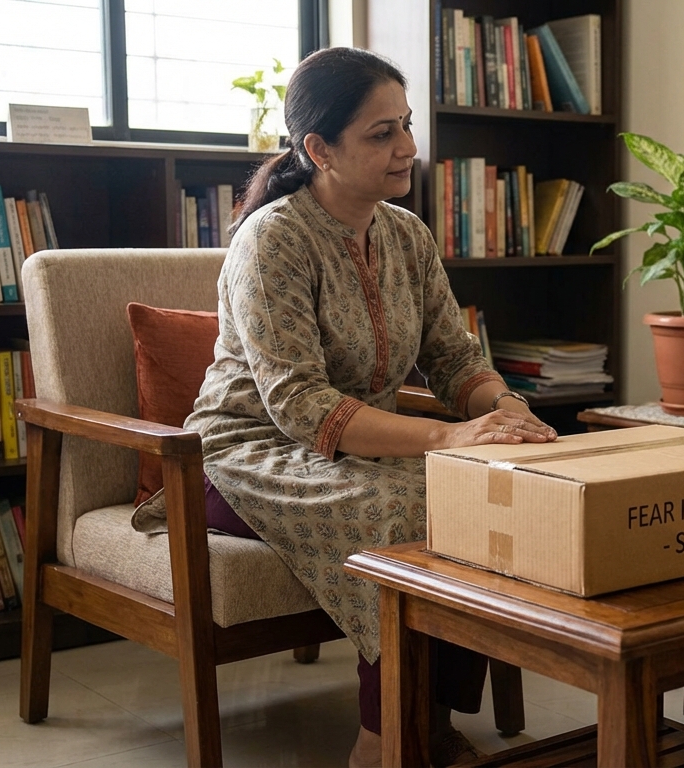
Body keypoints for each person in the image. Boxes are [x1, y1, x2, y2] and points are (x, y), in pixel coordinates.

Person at [183, 47, 556, 767]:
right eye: (382, 133)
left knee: (479, 491)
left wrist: (507, 411)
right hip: (245, 453)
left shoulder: (407, 235)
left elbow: (454, 359)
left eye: (406, 125)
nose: (408, 147)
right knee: (408, 509)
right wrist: (449, 439)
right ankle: (383, 742)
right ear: (319, 149)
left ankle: (430, 721)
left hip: (362, 446)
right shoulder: (272, 239)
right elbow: (298, 404)